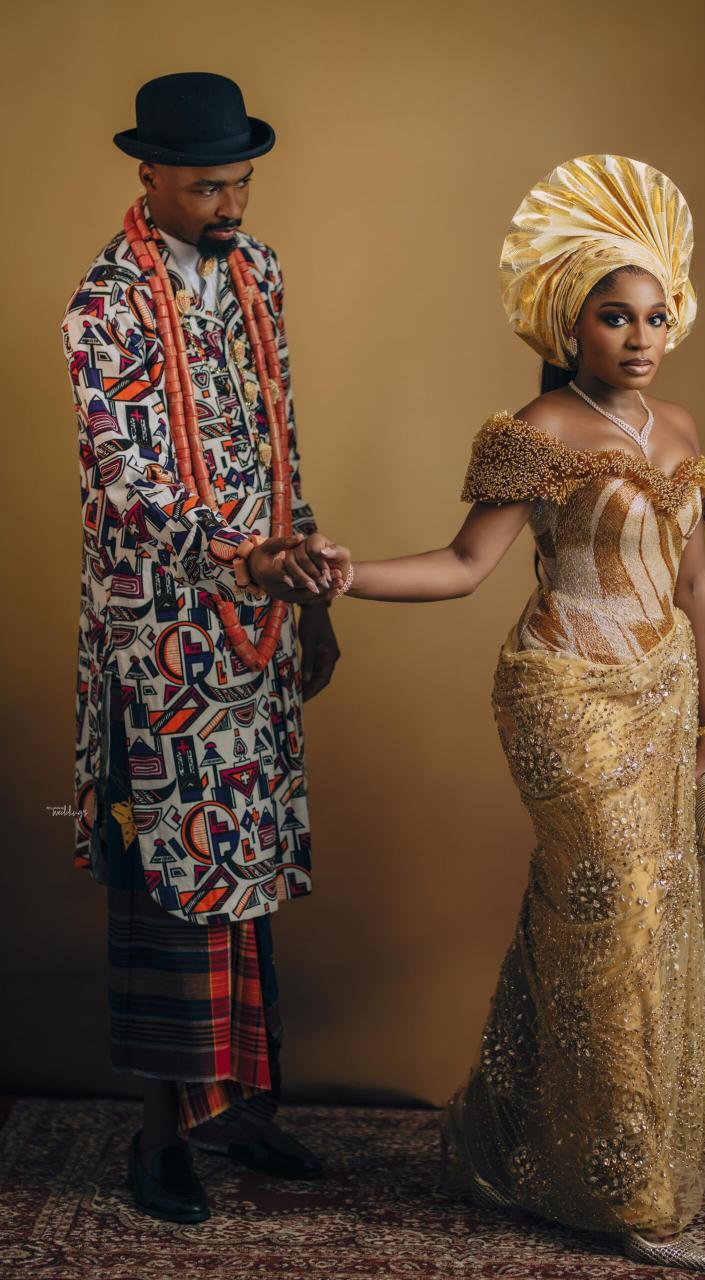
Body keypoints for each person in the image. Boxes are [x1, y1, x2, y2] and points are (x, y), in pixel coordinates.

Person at [285, 155, 705, 1271]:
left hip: (663, 699)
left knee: (630, 912)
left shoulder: (680, 427)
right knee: (614, 907)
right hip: (563, 695)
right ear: (569, 323)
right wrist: (343, 575)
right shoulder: (538, 429)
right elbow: (461, 567)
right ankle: (622, 1190)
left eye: (654, 316)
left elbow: (695, 587)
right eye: (613, 316)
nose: (639, 337)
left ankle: (511, 1142)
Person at [62, 72, 341, 1223]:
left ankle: (237, 1108)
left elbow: (279, 435)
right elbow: (126, 481)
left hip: (255, 624)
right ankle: (157, 1139)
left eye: (239, 182)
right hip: (159, 637)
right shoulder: (105, 306)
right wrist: (239, 558)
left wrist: (306, 588)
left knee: (247, 862)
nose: (228, 204)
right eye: (205, 186)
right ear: (150, 175)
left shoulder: (257, 272)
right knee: (173, 880)